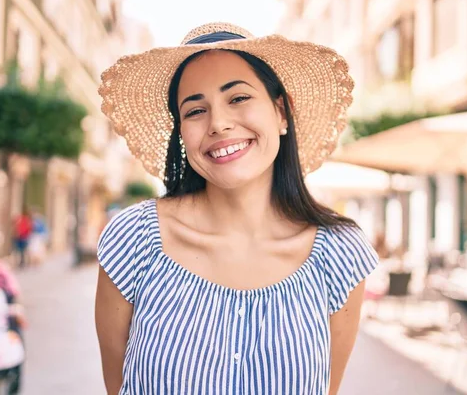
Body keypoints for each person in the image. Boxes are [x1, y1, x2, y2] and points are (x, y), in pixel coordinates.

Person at [95, 23, 379, 395]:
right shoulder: (133, 239)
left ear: (281, 112)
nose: (219, 124)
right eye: (195, 110)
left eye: (239, 98)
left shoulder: (340, 252)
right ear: (181, 133)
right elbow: (117, 386)